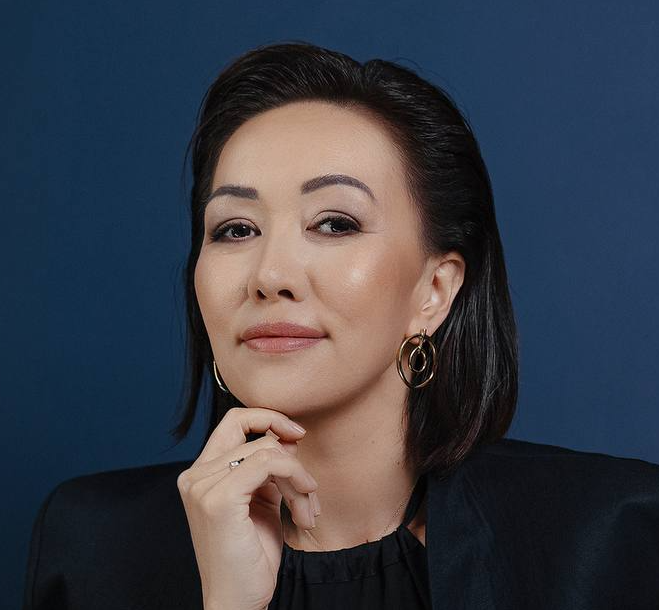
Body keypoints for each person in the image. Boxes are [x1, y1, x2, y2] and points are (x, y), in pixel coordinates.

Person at [22, 41, 659, 610]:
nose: (270, 275)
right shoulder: (92, 549)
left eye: (334, 223)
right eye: (236, 229)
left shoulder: (610, 536)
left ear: (434, 291)